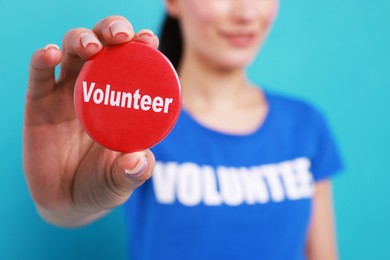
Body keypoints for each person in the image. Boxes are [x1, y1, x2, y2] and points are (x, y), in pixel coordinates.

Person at [23, 0, 343, 259]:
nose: (247, 12)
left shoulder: (305, 124)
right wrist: (62, 206)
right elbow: (73, 210)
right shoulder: (137, 127)